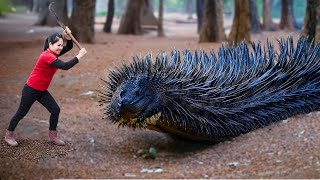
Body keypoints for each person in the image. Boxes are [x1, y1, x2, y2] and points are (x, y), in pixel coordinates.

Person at [4, 27, 87, 146]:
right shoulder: (47, 56)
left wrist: (68, 37)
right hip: (31, 89)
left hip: (42, 90)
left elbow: (69, 47)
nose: (60, 48)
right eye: (58, 45)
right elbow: (65, 66)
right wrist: (79, 56)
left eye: (60, 45)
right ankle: (8, 135)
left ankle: (53, 137)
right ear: (50, 44)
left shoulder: (54, 53)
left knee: (55, 110)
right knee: (22, 112)